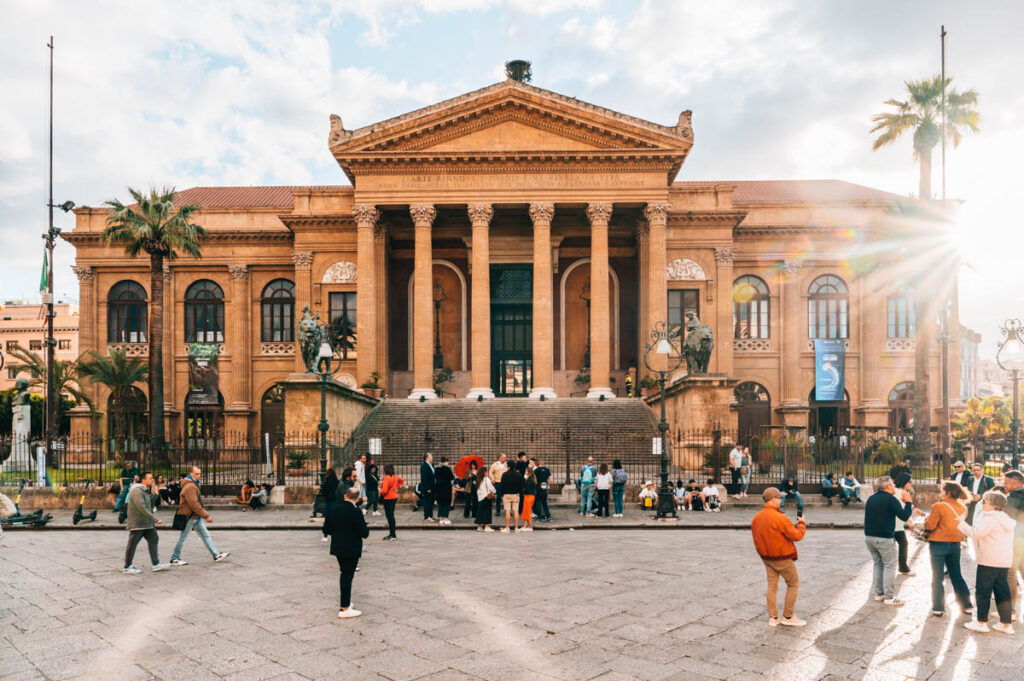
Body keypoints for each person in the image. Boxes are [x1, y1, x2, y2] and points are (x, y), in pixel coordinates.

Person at [958, 491, 1017, 634]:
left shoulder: (991, 518)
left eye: (985, 501)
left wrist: (960, 522)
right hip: (1003, 560)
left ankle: (981, 622)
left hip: (989, 560)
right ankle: (1006, 624)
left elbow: (976, 533)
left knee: (983, 592)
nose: (982, 504)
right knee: (1002, 591)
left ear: (993, 505)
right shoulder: (1004, 518)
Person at [750, 487, 807, 627]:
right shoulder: (780, 517)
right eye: (779, 498)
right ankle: (788, 616)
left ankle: (773, 617)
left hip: (767, 558)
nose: (781, 500)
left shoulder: (756, 517)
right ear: (773, 499)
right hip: (782, 557)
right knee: (793, 584)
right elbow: (797, 535)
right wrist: (801, 523)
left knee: (772, 586)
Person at [923, 481, 974, 617]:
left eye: (942, 490)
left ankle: (938, 607)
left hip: (939, 543)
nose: (940, 493)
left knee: (937, 576)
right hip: (955, 543)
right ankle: (967, 604)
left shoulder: (939, 506)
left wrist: (926, 520)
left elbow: (930, 525)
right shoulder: (963, 508)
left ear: (948, 492)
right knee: (956, 574)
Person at [863, 475, 914, 606]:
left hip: (869, 537)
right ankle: (890, 597)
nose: (893, 487)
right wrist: (908, 502)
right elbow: (904, 516)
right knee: (889, 566)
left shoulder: (871, 498)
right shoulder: (891, 499)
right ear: (888, 487)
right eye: (892, 485)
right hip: (884, 538)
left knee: (878, 564)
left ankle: (879, 594)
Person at [169, 466, 229, 566]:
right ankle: (174, 558)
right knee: (183, 537)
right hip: (190, 516)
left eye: (200, 473)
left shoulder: (192, 484)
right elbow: (194, 504)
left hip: (195, 516)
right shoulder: (190, 486)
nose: (199, 476)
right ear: (190, 474)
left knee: (205, 536)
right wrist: (206, 515)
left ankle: (216, 554)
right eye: (197, 474)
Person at [324, 487, 369, 619]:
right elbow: (364, 533)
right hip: (351, 548)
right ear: (357, 498)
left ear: (345, 496)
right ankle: (344, 608)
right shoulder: (356, 511)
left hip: (338, 546)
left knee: (345, 574)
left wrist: (339, 533)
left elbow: (327, 528)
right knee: (347, 576)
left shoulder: (334, 508)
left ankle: (346, 603)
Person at [122, 472, 170, 574]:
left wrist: (156, 494)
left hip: (146, 523)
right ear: (143, 480)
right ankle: (127, 566)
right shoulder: (137, 491)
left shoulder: (144, 490)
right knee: (132, 544)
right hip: (138, 523)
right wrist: (155, 519)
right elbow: (141, 507)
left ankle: (156, 564)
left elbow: (147, 504)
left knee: (154, 539)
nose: (152, 480)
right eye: (150, 478)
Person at [1002, 470, 1024, 621]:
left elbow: (1004, 519)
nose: (1004, 485)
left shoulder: (1015, 498)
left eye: (1006, 482)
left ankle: (1010, 611)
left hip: (1017, 538)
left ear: (1017, 483)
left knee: (1011, 572)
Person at [893, 474, 916, 576]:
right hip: (896, 524)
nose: (911, 484)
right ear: (904, 482)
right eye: (910, 482)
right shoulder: (900, 493)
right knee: (903, 544)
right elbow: (905, 509)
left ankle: (901, 567)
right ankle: (903, 568)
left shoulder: (896, 491)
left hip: (896, 523)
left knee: (900, 545)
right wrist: (910, 523)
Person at [378, 464, 404, 541]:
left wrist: (379, 491)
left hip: (388, 498)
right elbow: (402, 480)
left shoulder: (386, 478)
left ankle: (392, 534)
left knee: (389, 516)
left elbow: (384, 490)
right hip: (394, 497)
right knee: (391, 516)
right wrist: (396, 486)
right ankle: (393, 534)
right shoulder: (395, 477)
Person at [500, 463, 523, 533]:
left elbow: (502, 485)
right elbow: (521, 486)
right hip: (515, 494)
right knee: (515, 510)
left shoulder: (504, 474)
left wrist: (502, 494)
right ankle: (516, 528)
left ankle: (507, 528)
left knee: (507, 510)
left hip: (506, 494)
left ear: (509, 467)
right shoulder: (518, 474)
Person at [435, 457, 455, 525]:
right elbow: (452, 477)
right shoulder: (447, 468)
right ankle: (446, 518)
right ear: (446, 461)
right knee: (446, 502)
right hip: (446, 487)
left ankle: (441, 519)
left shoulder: (437, 468)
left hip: (438, 487)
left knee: (440, 502)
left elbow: (435, 476)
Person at [475, 468, 496, 532]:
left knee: (480, 511)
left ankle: (479, 526)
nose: (487, 473)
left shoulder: (478, 479)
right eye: (486, 472)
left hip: (480, 497)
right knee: (487, 511)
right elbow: (490, 487)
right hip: (486, 496)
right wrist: (494, 491)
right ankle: (486, 526)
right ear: (484, 472)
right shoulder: (486, 479)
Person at [420, 452, 436, 522]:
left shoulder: (431, 465)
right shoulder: (424, 466)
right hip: (428, 488)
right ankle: (427, 516)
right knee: (427, 501)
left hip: (432, 487)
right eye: (431, 456)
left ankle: (431, 515)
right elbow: (424, 478)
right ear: (427, 458)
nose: (432, 457)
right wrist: (427, 488)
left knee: (431, 501)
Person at [520, 467, 537, 531]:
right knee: (526, 511)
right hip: (531, 496)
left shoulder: (530, 479)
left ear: (529, 472)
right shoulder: (532, 479)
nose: (525, 472)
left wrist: (522, 490)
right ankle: (525, 525)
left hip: (528, 496)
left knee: (527, 511)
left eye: (526, 471)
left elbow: (527, 488)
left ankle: (530, 526)